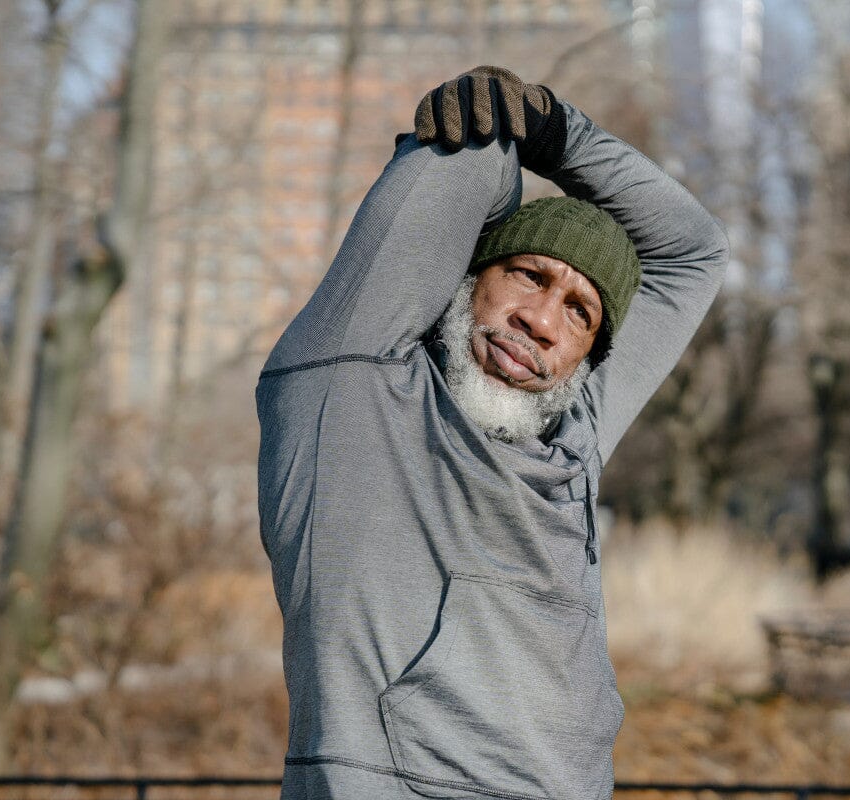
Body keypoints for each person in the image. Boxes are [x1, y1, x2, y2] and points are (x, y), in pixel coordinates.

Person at [255, 66, 728, 800]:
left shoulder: (575, 438)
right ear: (468, 278)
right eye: (527, 275)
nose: (541, 321)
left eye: (580, 311)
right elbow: (470, 152)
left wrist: (559, 133)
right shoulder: (352, 384)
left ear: (590, 355)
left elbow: (695, 251)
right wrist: (509, 134)